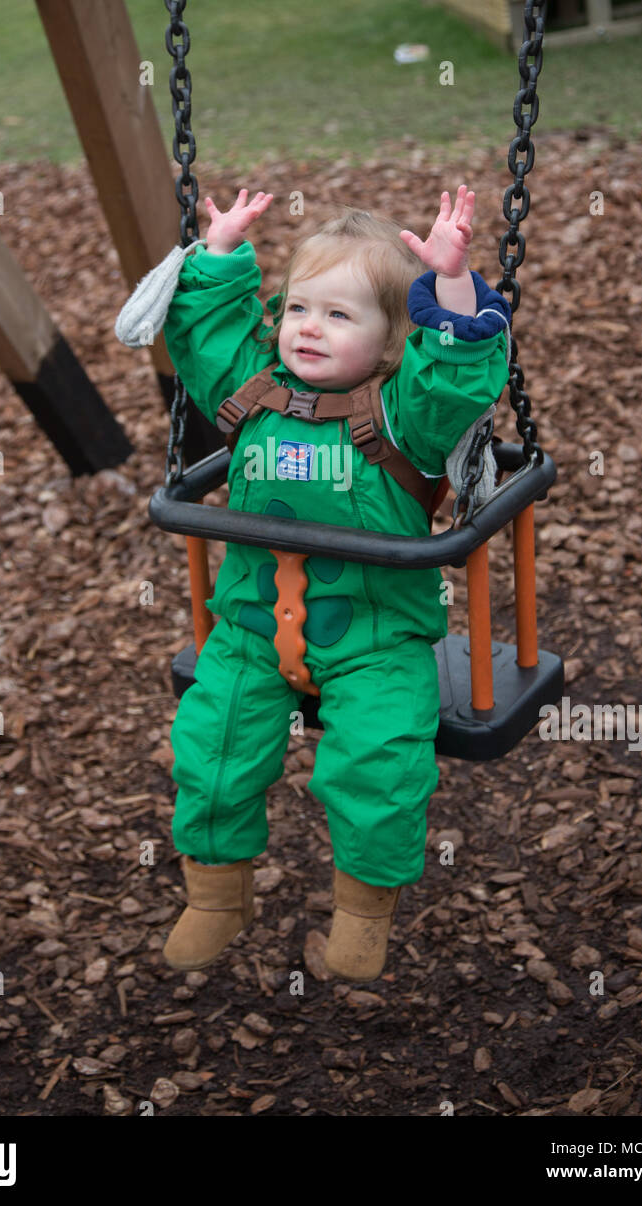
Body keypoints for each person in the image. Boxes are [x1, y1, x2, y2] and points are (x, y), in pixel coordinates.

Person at [158, 185, 511, 981]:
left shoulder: (402, 415)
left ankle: (362, 912)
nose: (309, 328)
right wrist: (218, 256)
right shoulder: (252, 393)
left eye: (341, 316)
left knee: (379, 764)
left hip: (376, 638)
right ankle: (216, 896)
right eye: (299, 310)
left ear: (393, 341)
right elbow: (209, 339)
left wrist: (451, 287)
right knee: (211, 748)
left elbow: (456, 379)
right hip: (248, 629)